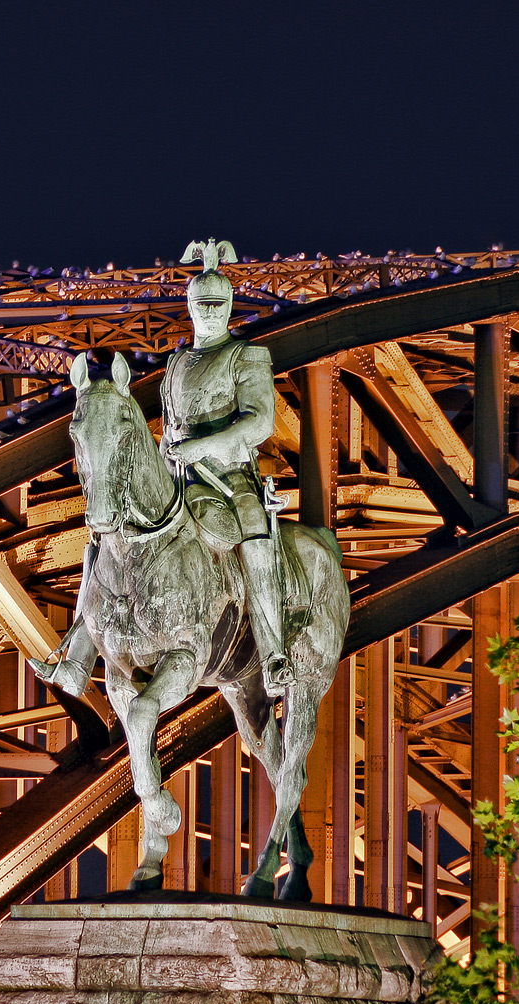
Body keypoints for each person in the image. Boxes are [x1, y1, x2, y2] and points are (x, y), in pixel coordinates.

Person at [160, 238, 292, 696]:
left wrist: (203, 447)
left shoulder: (246, 355)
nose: (211, 311)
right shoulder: (176, 362)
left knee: (255, 535)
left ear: (231, 305)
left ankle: (274, 654)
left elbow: (259, 421)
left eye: (218, 303)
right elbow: (168, 425)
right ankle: (78, 650)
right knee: (109, 531)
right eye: (203, 303)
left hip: (229, 476)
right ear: (190, 305)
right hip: (178, 476)